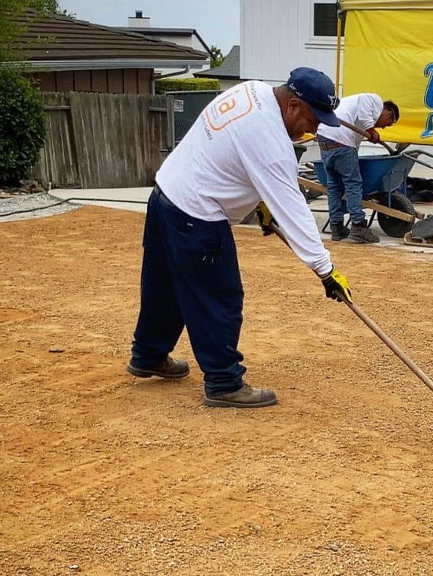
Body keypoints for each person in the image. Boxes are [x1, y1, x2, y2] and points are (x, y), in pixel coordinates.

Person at [126, 68, 352, 409]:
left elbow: (232, 153)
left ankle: (149, 355)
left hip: (165, 197)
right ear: (293, 106)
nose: (314, 130)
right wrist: (326, 270)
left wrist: (260, 203)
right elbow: (295, 213)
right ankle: (223, 382)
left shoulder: (252, 91)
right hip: (197, 214)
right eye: (312, 119)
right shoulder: (272, 142)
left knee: (165, 288)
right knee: (220, 297)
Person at [316, 95, 400, 244]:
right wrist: (372, 131)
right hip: (341, 139)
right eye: (387, 124)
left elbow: (354, 143)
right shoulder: (373, 100)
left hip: (325, 138)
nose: (382, 127)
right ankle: (359, 227)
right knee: (353, 184)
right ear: (388, 113)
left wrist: (370, 132)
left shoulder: (350, 109)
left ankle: (336, 227)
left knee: (334, 186)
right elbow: (364, 109)